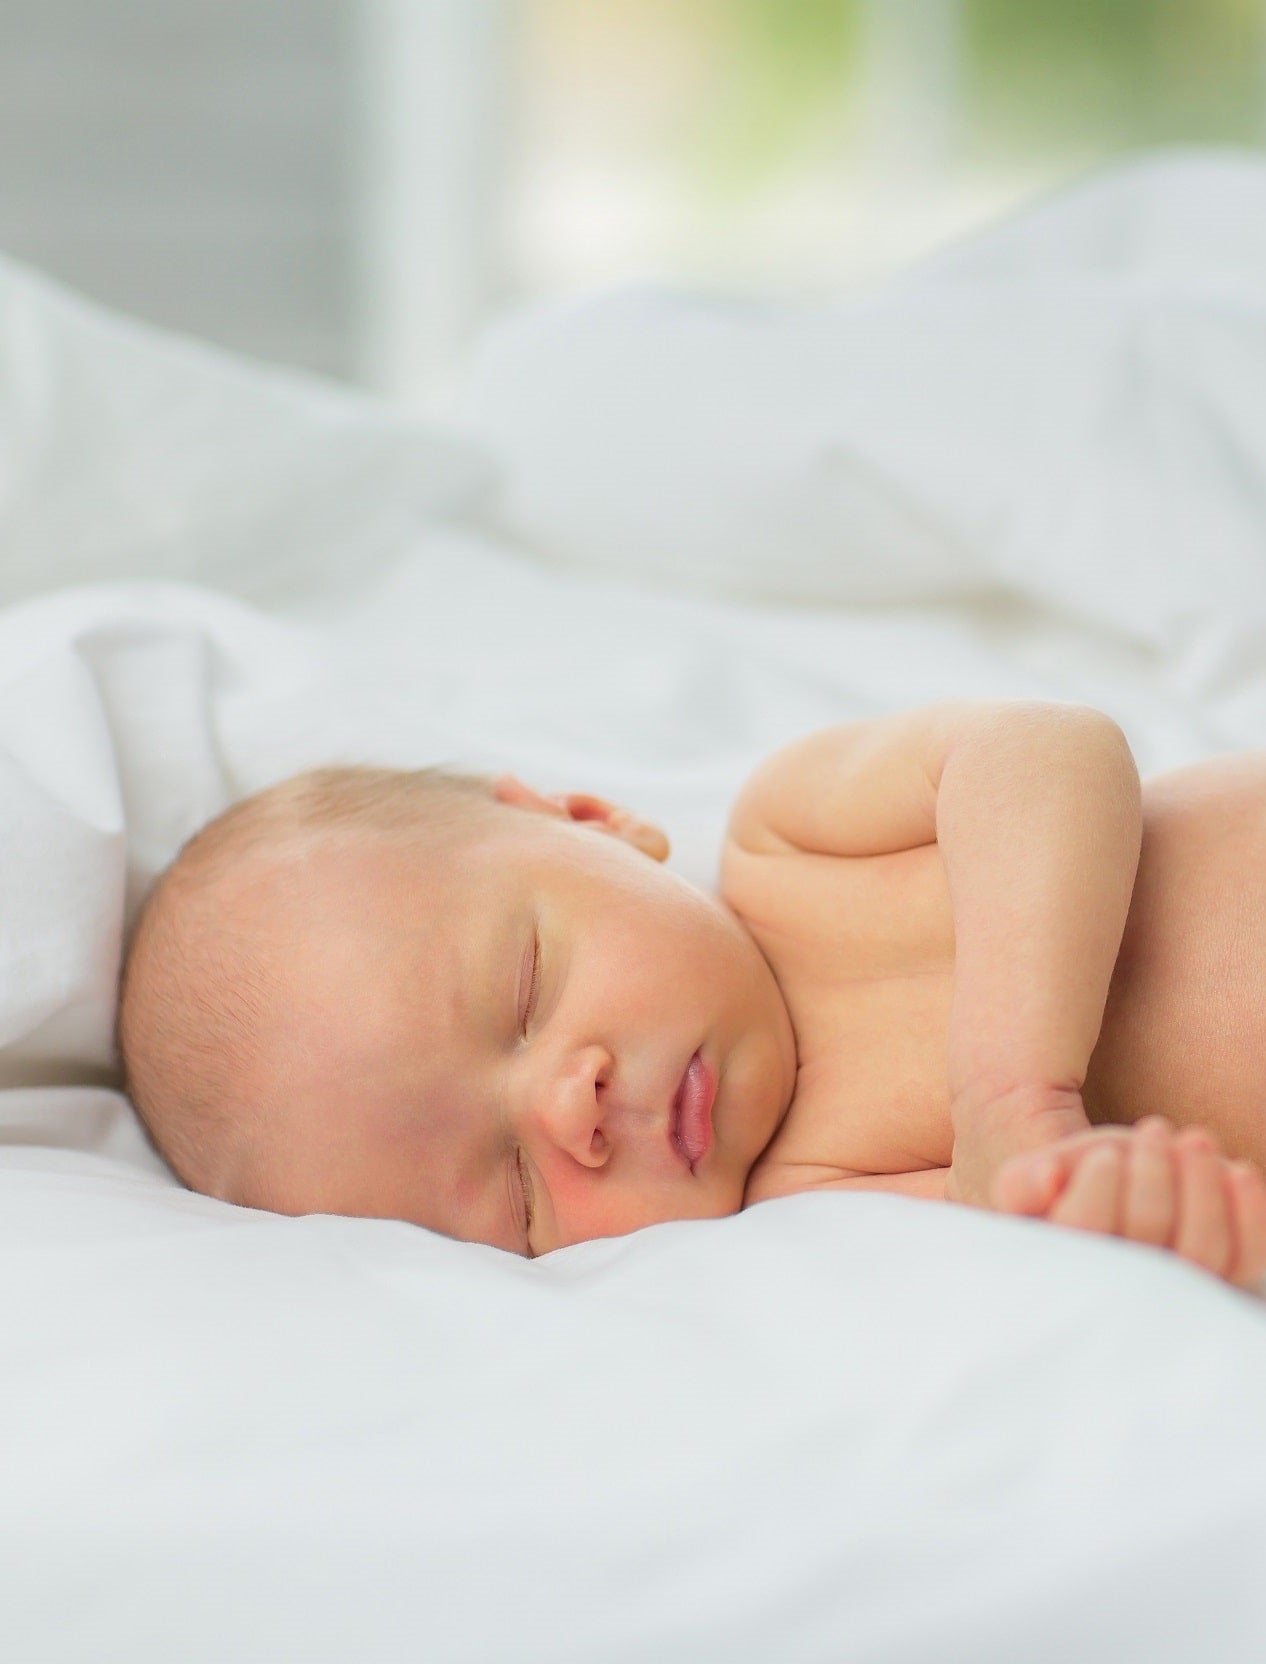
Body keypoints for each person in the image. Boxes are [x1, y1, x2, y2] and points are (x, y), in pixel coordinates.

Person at [116, 699, 1266, 1287]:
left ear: (588, 819)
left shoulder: (797, 842)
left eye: (525, 990)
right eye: (518, 1191)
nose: (572, 1106)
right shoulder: (812, 1212)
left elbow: (1050, 750)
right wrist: (1138, 1213)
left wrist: (1012, 1088)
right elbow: (1074, 1250)